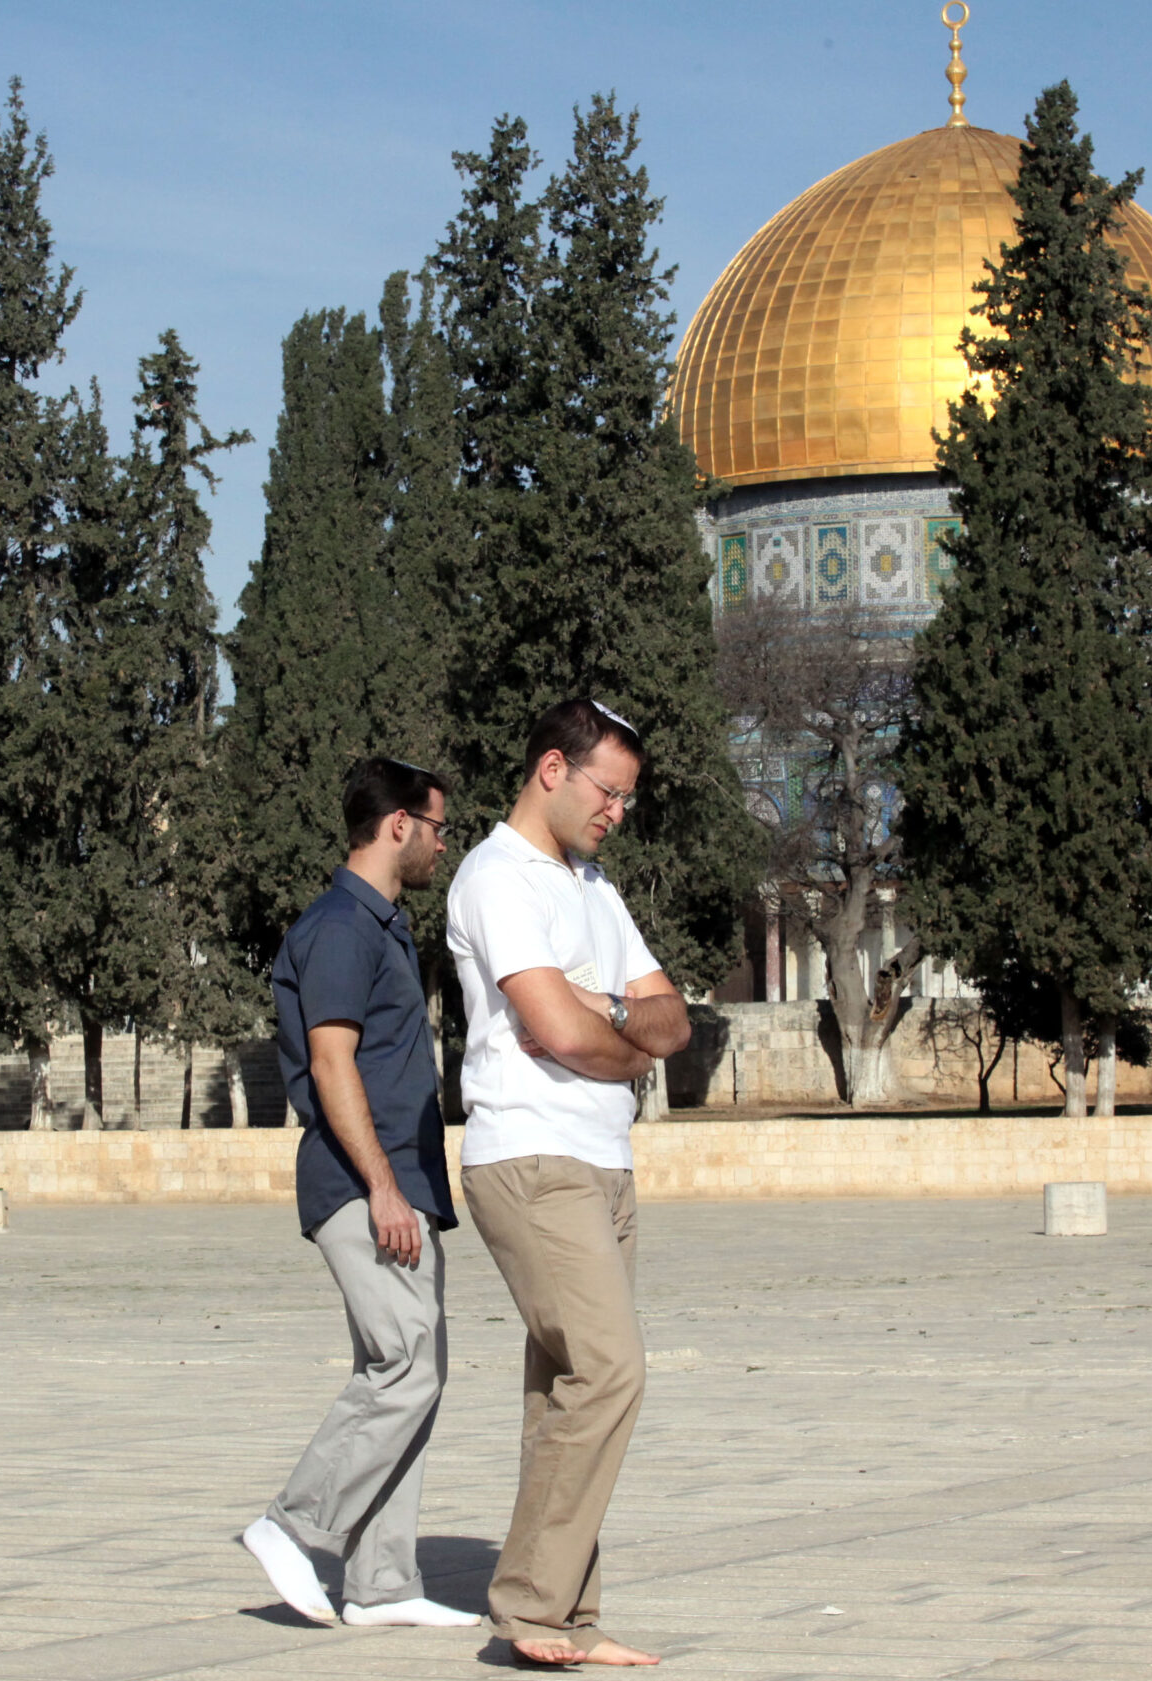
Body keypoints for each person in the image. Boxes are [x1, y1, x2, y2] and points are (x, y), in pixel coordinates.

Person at [446, 699, 691, 1669]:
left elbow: (672, 1020)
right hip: (531, 1156)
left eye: (627, 799)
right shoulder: (495, 878)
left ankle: (570, 1618)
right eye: (607, 791)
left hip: (605, 1163)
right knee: (610, 1367)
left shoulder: (593, 887)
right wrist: (613, 1027)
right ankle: (532, 1606)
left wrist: (612, 1012)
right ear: (552, 767)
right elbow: (553, 1027)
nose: (616, 813)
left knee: (563, 1387)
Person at [241, 758, 479, 1631]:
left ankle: (381, 1582)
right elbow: (332, 1061)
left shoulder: (379, 924)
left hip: (398, 1183)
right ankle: (292, 1524)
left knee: (414, 1369)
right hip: (361, 1182)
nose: (443, 842)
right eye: (438, 826)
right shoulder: (342, 925)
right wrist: (381, 1185)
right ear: (398, 825)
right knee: (404, 1363)